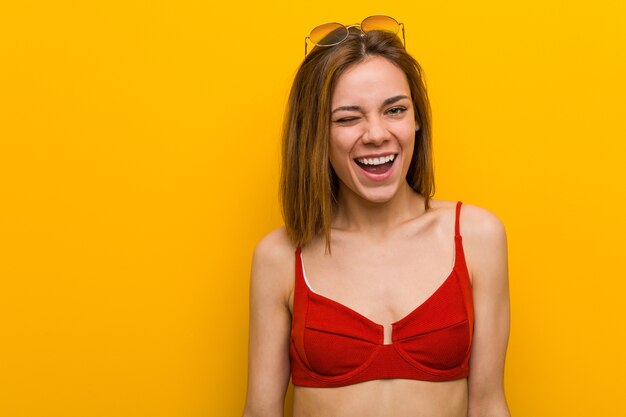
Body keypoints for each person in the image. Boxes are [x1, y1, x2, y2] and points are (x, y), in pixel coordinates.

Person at [243, 15, 511, 417]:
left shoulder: (477, 237)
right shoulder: (279, 257)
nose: (376, 134)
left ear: (416, 119)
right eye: (348, 118)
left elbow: (489, 405)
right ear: (317, 133)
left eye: (394, 110)